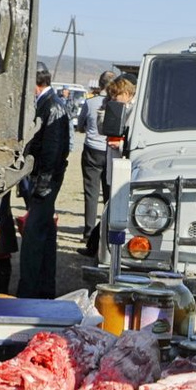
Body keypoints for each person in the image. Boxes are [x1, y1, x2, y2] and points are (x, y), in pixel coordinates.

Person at [16, 62, 71, 298]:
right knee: (44, 234)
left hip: (45, 180)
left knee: (33, 237)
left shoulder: (53, 107)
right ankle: (43, 288)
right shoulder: (47, 104)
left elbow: (53, 150)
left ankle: (29, 291)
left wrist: (43, 185)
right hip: (41, 179)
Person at [76, 69, 120, 256]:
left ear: (99, 84)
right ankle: (106, 230)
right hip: (110, 150)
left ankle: (88, 230)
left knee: (91, 192)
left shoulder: (90, 102)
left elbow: (80, 125)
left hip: (92, 149)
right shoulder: (116, 104)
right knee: (110, 193)